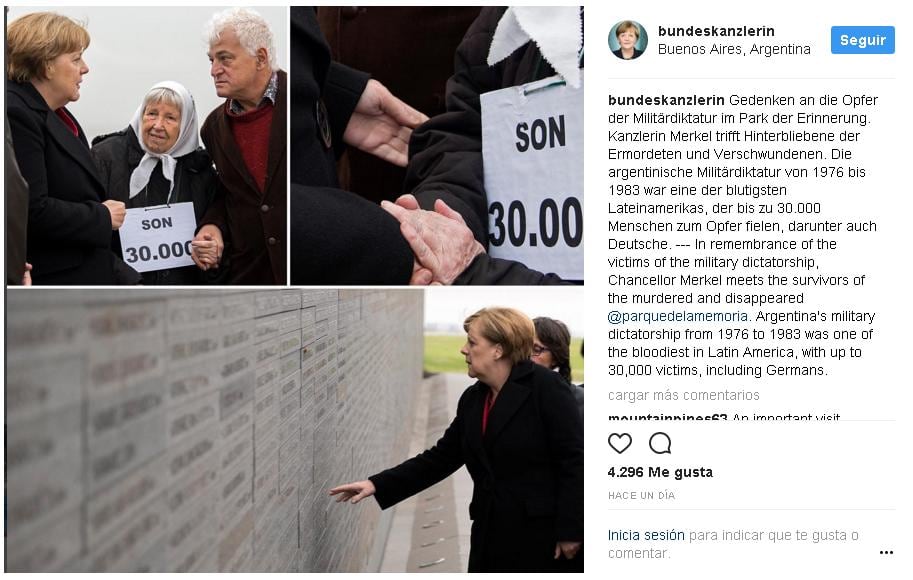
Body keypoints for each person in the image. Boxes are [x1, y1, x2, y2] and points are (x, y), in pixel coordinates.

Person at [330, 307, 583, 572]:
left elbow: (573, 461)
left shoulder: (546, 388)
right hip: (490, 534)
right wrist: (376, 484)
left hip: (543, 539)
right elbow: (440, 458)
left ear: (498, 350)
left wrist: (571, 530)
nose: (464, 349)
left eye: (472, 342)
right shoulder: (473, 400)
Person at [289, 6, 430, 285]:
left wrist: (332, 95)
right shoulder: (216, 131)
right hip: (326, 243)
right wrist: (390, 243)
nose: (214, 70)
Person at [6, 12, 139, 285]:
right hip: (53, 282)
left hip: (87, 269)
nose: (85, 68)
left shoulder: (57, 115)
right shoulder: (16, 114)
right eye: (76, 58)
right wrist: (101, 216)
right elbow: (31, 211)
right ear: (46, 65)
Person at [92, 81, 223, 285]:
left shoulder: (201, 171)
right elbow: (87, 231)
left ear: (186, 125)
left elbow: (216, 228)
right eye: (152, 113)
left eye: (170, 118)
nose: (158, 125)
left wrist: (211, 252)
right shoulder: (104, 157)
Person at [192, 7, 286, 284]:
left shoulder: (303, 101)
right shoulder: (213, 127)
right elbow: (229, 193)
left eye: (225, 59)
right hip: (250, 277)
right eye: (211, 60)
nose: (213, 71)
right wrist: (213, 225)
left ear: (260, 58)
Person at [532, 317, 584, 417]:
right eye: (523, 347)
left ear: (555, 358)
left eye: (536, 349)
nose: (527, 356)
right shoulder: (504, 394)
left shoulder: (581, 402)